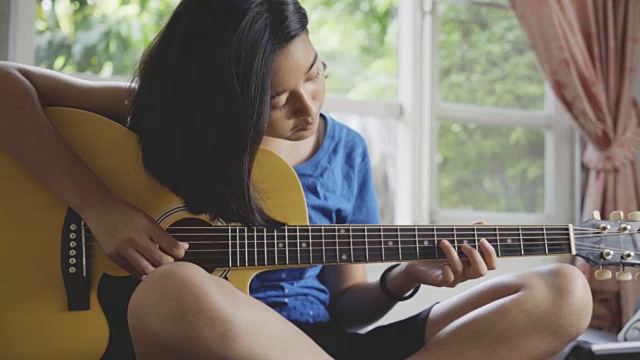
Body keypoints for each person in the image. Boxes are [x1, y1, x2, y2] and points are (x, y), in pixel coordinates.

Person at [0, 0, 592, 359]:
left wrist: (405, 276)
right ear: (221, 98)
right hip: (198, 341)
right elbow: (7, 83)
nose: (307, 109)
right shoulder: (160, 119)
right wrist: (99, 207)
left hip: (323, 345)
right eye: (276, 99)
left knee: (566, 295)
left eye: (315, 75)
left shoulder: (347, 153)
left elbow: (347, 307)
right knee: (173, 288)